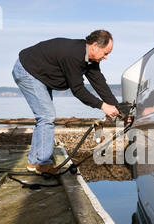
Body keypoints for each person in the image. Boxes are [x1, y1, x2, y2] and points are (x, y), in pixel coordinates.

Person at [12, 30, 120, 175]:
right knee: (46, 116)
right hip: (27, 70)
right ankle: (43, 164)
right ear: (94, 46)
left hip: (40, 75)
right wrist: (102, 106)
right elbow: (77, 89)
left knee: (44, 117)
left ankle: (34, 162)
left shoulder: (89, 59)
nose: (106, 57)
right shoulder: (73, 55)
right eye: (105, 53)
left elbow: (98, 81)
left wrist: (117, 108)